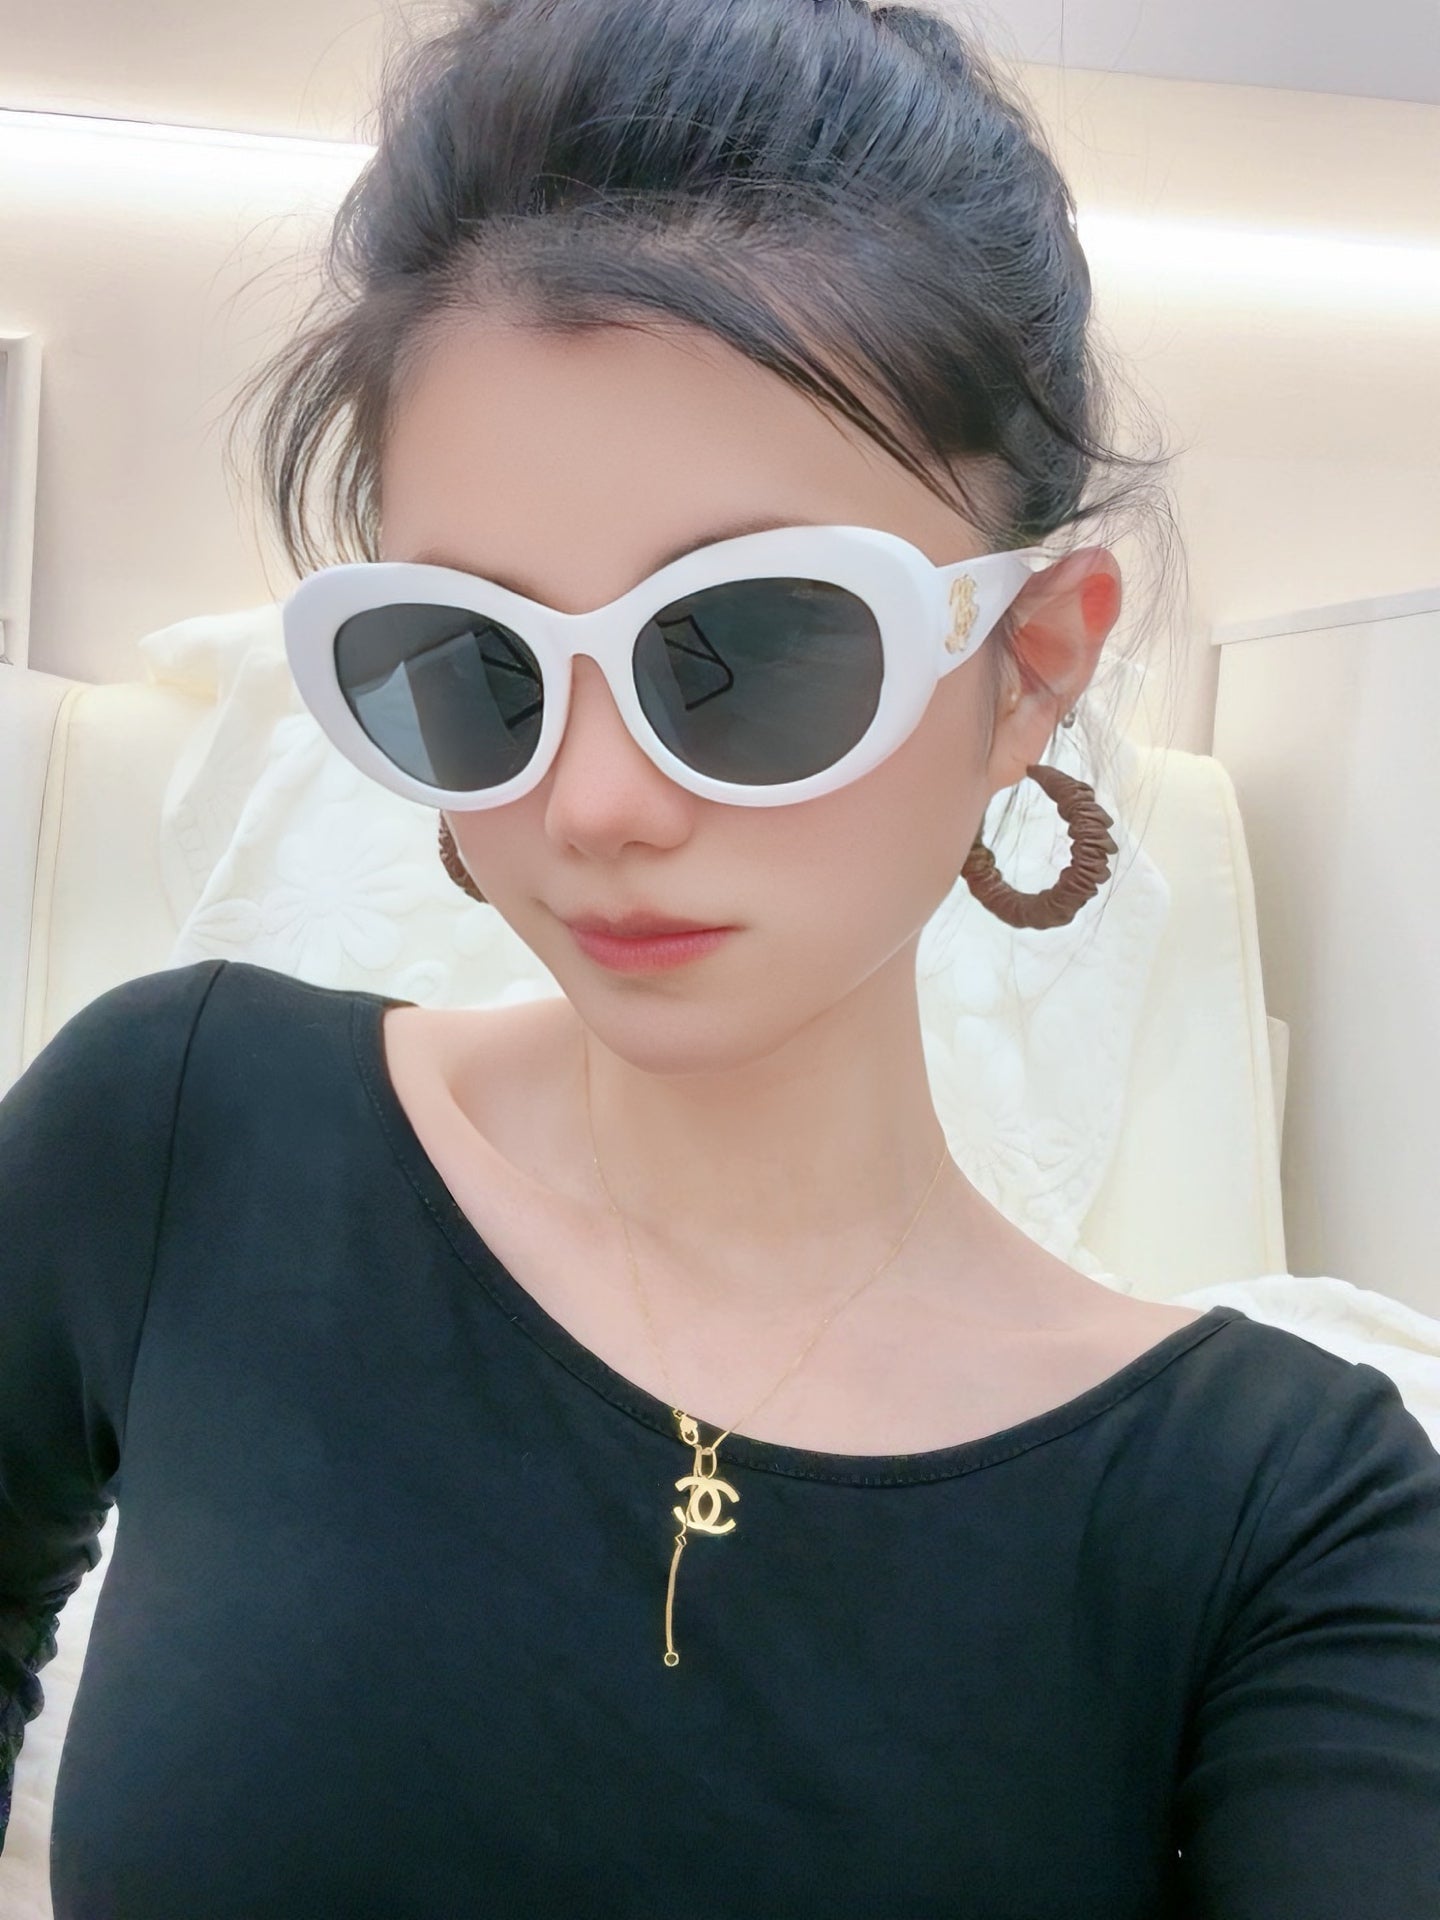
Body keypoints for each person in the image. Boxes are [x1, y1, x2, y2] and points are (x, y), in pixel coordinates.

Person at [3, 2, 1438, 1914]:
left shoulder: (1287, 1517)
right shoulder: (179, 1132)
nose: (595, 804)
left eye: (752, 646)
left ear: (1032, 663)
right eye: (476, 664)